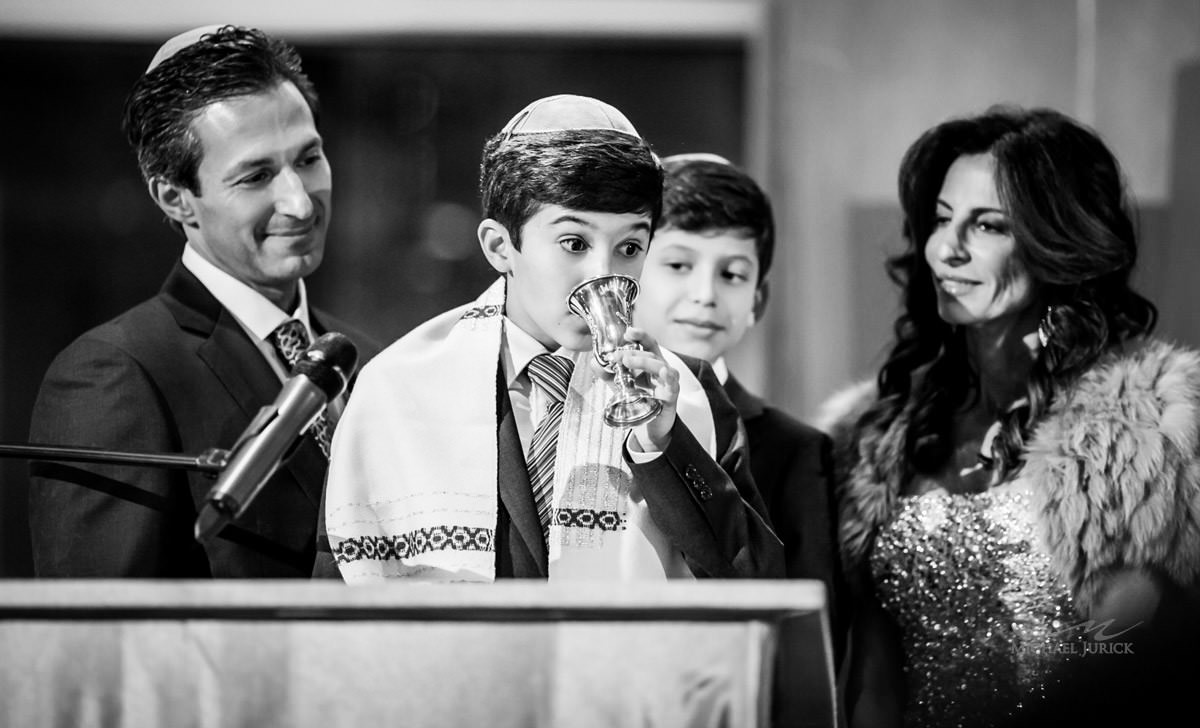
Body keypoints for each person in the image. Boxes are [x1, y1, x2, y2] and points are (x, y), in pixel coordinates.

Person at [816, 106, 1200, 727]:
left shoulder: (1153, 425)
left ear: (1058, 243)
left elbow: (1137, 654)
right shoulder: (875, 435)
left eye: (988, 226)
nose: (947, 249)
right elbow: (871, 679)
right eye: (941, 220)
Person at [318, 94, 783, 581]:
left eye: (629, 247)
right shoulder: (397, 387)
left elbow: (756, 581)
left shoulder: (686, 391)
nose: (602, 276)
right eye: (574, 243)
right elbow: (339, 590)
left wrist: (664, 445)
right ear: (500, 246)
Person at [27, 25, 379, 578]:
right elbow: (99, 642)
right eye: (257, 175)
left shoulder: (376, 364)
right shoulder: (114, 373)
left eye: (308, 159)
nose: (300, 203)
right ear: (176, 197)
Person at [633, 152, 845, 645]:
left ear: (758, 300)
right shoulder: (576, 415)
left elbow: (812, 628)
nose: (705, 294)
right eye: (678, 264)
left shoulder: (799, 451)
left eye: (732, 274)